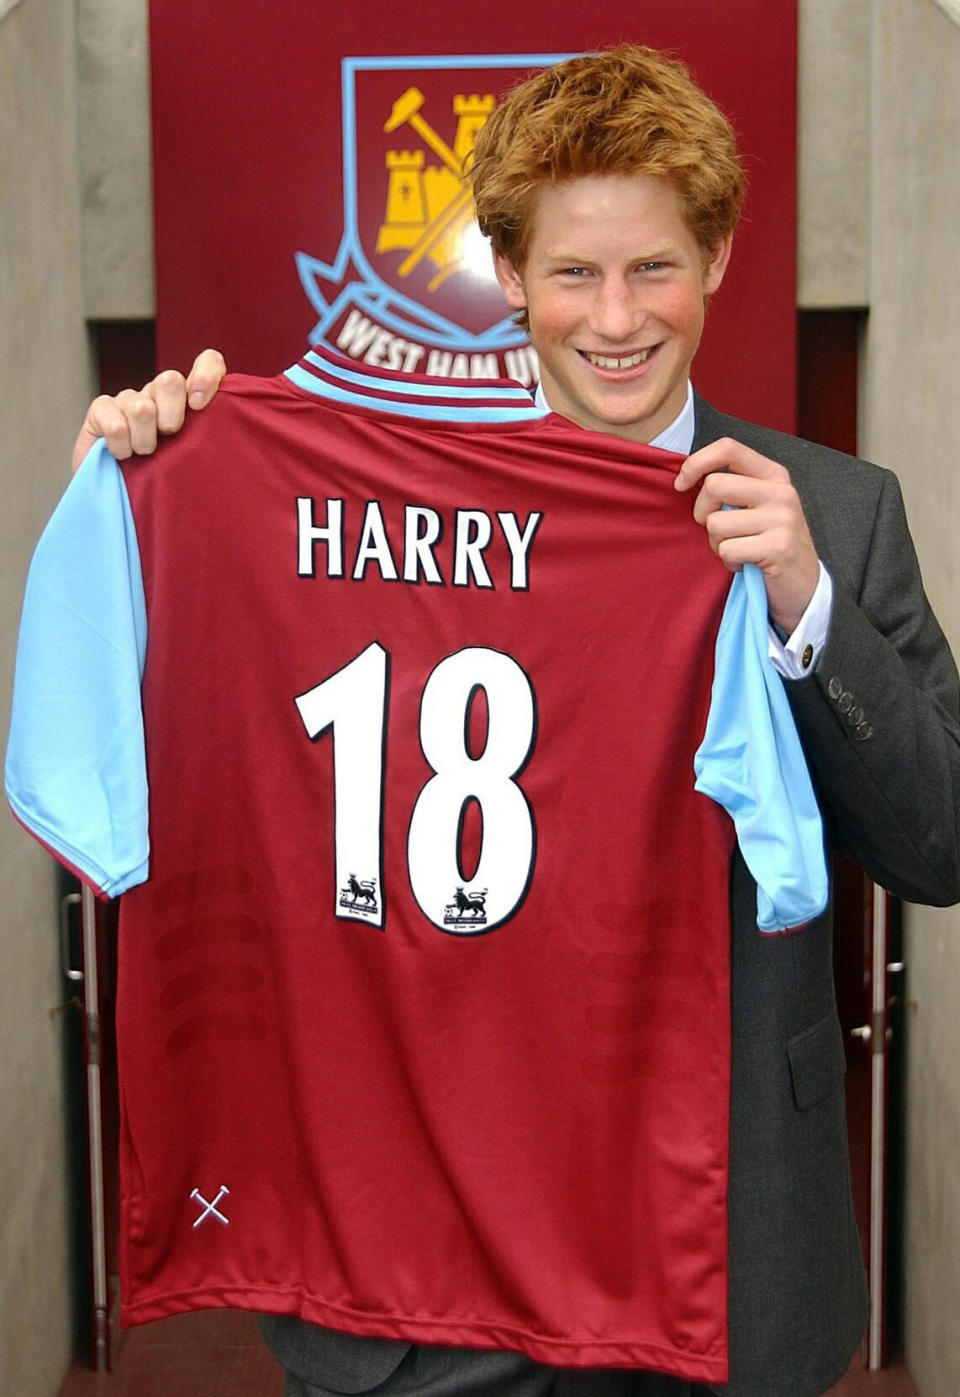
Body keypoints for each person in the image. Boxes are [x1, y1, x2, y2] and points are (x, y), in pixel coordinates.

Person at [67, 44, 960, 1397]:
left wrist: (808, 604)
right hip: (435, 1274)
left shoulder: (834, 511)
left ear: (716, 258)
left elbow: (942, 842)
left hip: (715, 1254)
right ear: (509, 276)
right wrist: (139, 506)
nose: (617, 317)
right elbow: (188, 744)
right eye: (573, 273)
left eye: (654, 267)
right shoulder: (376, 507)